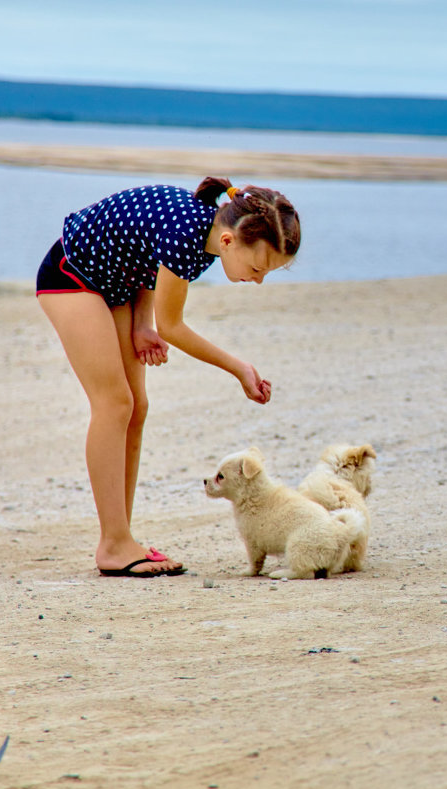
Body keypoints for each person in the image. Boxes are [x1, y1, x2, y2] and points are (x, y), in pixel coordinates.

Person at [36, 176, 300, 577]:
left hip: (116, 284)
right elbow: (173, 327)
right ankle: (113, 545)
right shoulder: (187, 234)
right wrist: (239, 369)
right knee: (114, 403)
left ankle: (120, 536)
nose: (258, 280)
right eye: (258, 267)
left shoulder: (207, 240)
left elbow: (142, 257)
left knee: (136, 406)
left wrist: (142, 323)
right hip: (71, 276)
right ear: (230, 241)